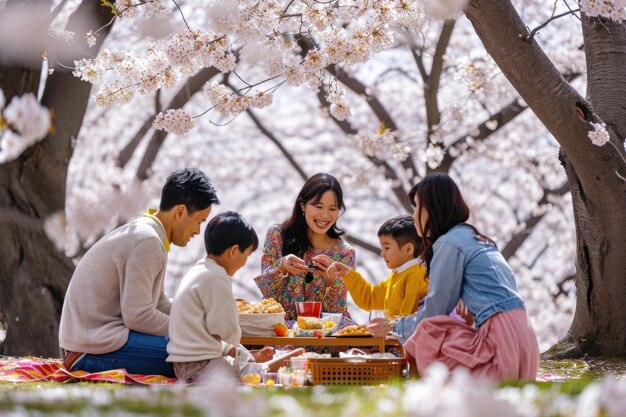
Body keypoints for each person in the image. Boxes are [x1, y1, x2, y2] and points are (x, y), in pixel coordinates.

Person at [369, 173, 539, 381]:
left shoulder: (449, 243)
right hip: (525, 343)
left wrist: (393, 326)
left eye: (416, 208)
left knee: (430, 330)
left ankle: (402, 385)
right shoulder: (476, 238)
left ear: (432, 209)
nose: (413, 217)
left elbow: (435, 310)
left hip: (501, 343)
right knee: (439, 329)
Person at [59, 167, 219, 378]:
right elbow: (138, 316)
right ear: (180, 212)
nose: (198, 231)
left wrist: (197, 318)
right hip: (89, 348)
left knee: (199, 346)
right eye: (199, 222)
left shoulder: (152, 235)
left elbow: (158, 303)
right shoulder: (148, 241)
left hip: (92, 339)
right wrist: (192, 329)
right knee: (199, 354)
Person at [167, 211, 303, 383]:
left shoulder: (199, 271)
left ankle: (258, 362)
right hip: (200, 366)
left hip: (188, 364)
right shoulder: (217, 277)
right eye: (246, 255)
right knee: (254, 375)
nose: (244, 262)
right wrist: (244, 355)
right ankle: (270, 366)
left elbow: (210, 336)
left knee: (245, 364)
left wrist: (243, 354)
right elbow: (227, 331)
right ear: (234, 251)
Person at [254, 173, 355, 325]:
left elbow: (336, 312)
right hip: (281, 328)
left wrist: (331, 282)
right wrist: (281, 266)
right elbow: (267, 295)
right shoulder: (278, 235)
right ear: (303, 205)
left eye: (332, 209)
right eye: (318, 206)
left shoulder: (345, 253)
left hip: (322, 332)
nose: (325, 215)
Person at [326, 215, 428, 319]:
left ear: (408, 249)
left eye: (387, 248)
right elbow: (370, 299)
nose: (382, 253)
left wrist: (388, 329)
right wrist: (348, 273)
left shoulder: (417, 276)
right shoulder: (397, 275)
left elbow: (407, 321)